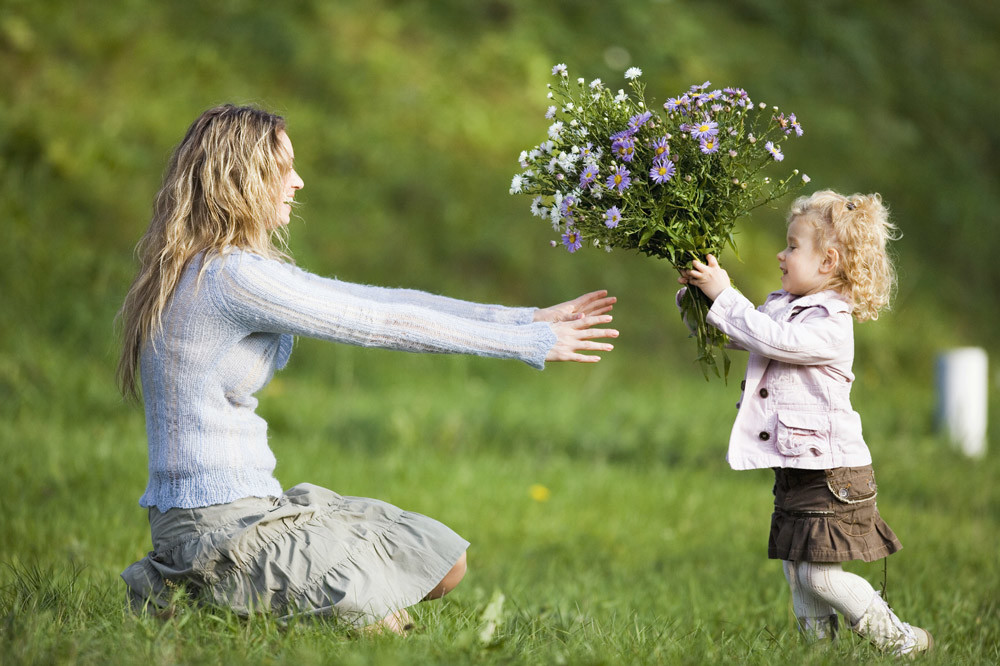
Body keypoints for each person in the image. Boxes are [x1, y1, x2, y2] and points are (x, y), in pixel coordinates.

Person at [117, 104, 619, 634]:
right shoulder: (228, 277)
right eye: (284, 169)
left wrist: (526, 318)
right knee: (388, 627)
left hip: (258, 509)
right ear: (243, 178)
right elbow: (381, 321)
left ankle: (230, 610)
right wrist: (528, 343)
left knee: (442, 561)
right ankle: (202, 600)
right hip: (216, 531)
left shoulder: (218, 268)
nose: (299, 182)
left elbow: (375, 299)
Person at [676, 190, 932, 656]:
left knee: (818, 573)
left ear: (828, 261)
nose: (781, 254)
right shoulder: (784, 306)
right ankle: (819, 654)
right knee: (796, 568)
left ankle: (901, 640)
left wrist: (725, 295)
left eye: (792, 246)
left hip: (833, 474)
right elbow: (740, 332)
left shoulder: (831, 324)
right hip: (799, 467)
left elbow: (770, 338)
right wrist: (697, 298)